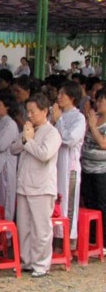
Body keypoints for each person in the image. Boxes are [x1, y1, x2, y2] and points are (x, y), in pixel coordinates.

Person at [11, 93, 61, 277]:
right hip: (24, 185)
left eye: (32, 111)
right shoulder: (28, 129)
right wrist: (25, 138)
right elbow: (13, 148)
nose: (29, 115)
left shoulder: (52, 133)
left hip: (41, 187)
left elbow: (44, 154)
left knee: (41, 228)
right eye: (28, 111)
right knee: (24, 227)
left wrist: (28, 141)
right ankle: (26, 261)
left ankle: (41, 264)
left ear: (44, 111)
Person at [52, 80, 86, 249]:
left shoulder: (79, 118)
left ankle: (67, 242)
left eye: (62, 94)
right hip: (54, 166)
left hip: (69, 168)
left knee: (67, 204)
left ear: (72, 97)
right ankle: (54, 239)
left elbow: (69, 139)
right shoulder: (57, 114)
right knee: (55, 203)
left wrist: (59, 120)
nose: (58, 97)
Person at [81, 88, 106, 249]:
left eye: (101, 101)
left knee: (102, 205)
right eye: (97, 100)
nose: (97, 103)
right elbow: (82, 137)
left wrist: (93, 126)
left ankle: (103, 240)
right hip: (86, 168)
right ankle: (92, 238)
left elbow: (103, 143)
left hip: (102, 171)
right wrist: (87, 121)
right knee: (89, 203)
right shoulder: (93, 117)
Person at [0, 92, 19, 222]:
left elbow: (1, 145)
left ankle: (5, 230)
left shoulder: (10, 124)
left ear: (7, 107)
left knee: (4, 199)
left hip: (5, 168)